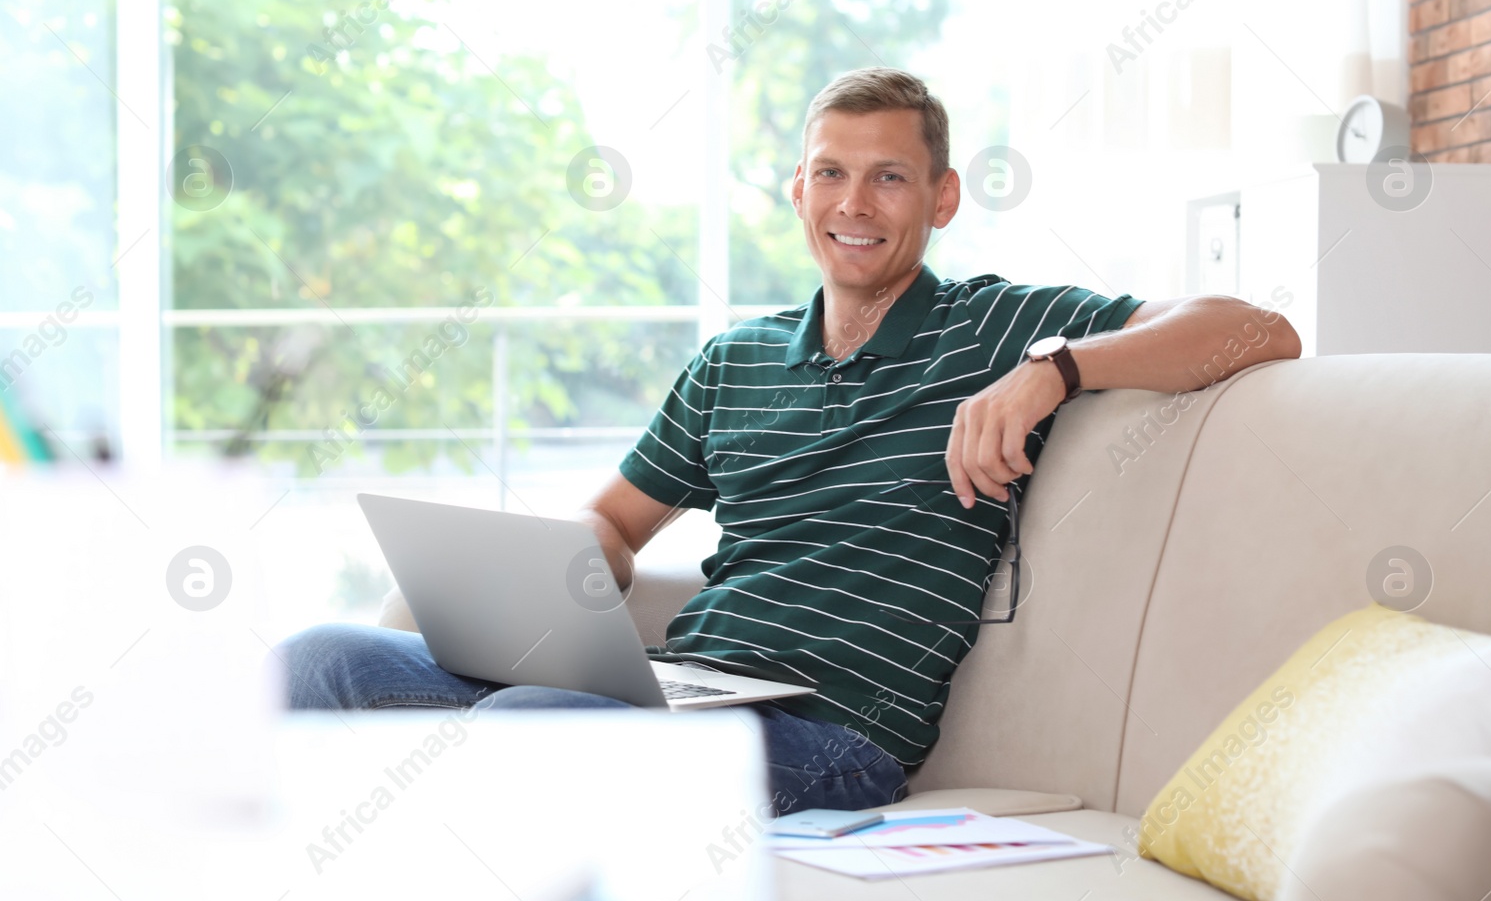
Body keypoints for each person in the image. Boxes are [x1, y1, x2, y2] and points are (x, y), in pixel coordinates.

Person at [278, 67, 1300, 814]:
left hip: (828, 737)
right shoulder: (734, 360)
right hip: (684, 686)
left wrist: (1053, 369)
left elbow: (1260, 329)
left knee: (530, 729)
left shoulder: (992, 326)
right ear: (798, 189)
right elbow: (615, 519)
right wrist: (579, 569)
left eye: (889, 178)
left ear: (940, 197)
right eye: (829, 173)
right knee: (319, 659)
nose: (853, 203)